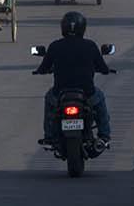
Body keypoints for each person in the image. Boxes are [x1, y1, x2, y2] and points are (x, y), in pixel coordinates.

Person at [34, 9, 114, 147]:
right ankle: (104, 136)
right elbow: (103, 67)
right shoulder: (90, 45)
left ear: (63, 28)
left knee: (49, 102)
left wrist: (39, 71)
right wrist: (106, 71)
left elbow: (43, 67)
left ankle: (49, 137)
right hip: (87, 92)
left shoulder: (55, 46)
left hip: (60, 93)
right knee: (100, 102)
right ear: (83, 28)